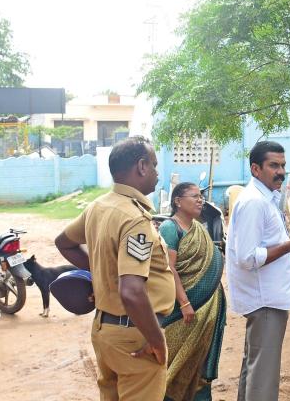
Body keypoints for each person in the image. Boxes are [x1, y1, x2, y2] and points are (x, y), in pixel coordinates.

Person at [55, 136, 176, 400]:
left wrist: (103, 271)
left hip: (104, 330)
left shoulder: (98, 206)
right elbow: (132, 292)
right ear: (142, 166)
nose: (157, 172)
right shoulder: (134, 219)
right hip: (135, 337)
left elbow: (64, 243)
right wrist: (157, 341)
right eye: (154, 165)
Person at [226, 141, 290, 401]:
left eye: (283, 165)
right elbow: (247, 257)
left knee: (255, 366)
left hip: (267, 297)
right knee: (263, 375)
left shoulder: (264, 198)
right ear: (256, 169)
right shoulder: (255, 202)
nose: (280, 171)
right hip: (264, 299)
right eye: (273, 165)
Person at [159, 182, 226, 401]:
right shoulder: (170, 228)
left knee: (200, 363)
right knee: (177, 360)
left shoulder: (199, 228)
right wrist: (185, 302)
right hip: (184, 312)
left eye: (201, 196)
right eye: (195, 196)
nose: (200, 200)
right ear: (178, 201)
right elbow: (169, 269)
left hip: (207, 311)